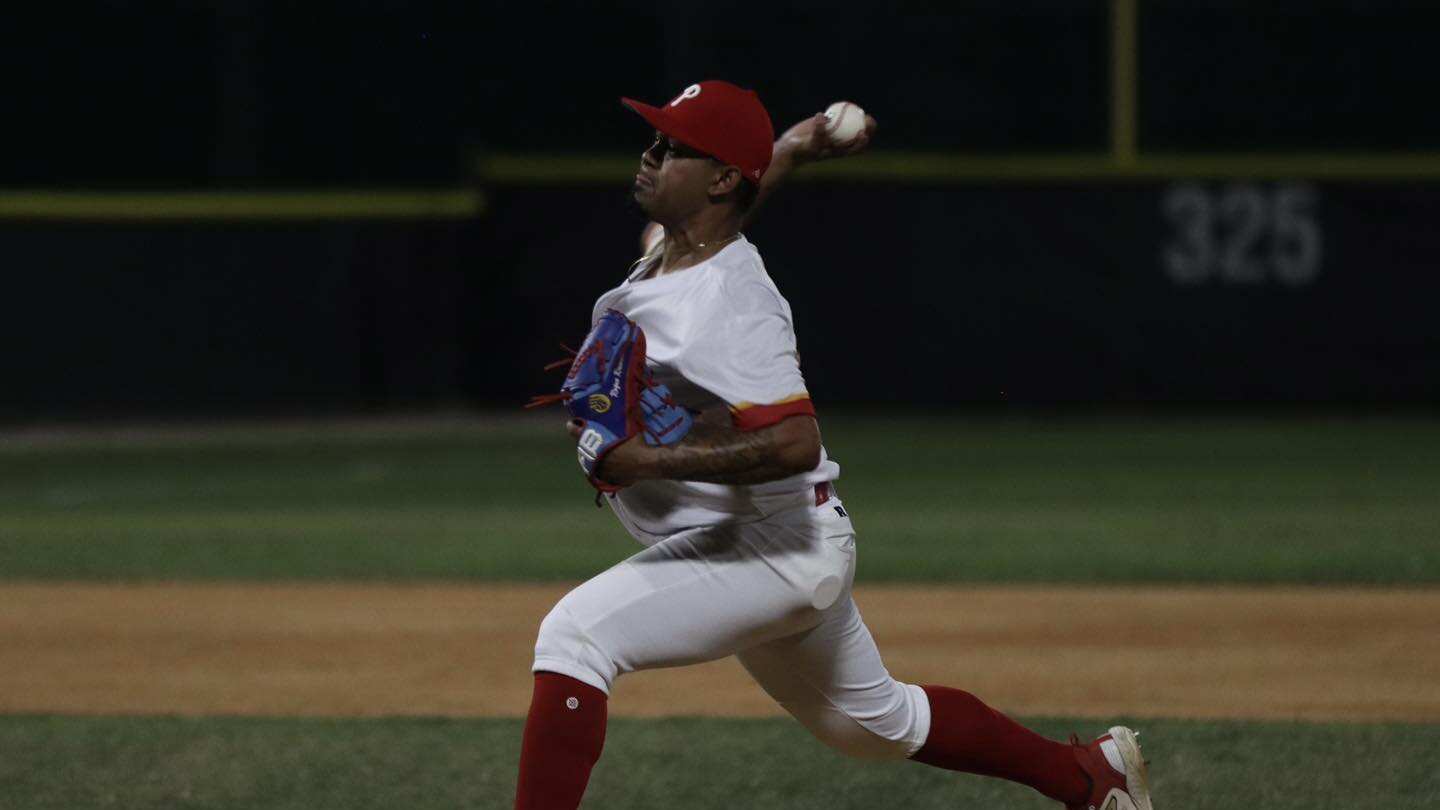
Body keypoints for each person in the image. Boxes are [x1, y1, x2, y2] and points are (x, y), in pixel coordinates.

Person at [514, 80, 1154, 810]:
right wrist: (790, 147)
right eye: (654, 139)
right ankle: (1090, 777)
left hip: (767, 548)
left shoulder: (733, 304)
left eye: (673, 147)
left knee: (576, 638)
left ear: (719, 180)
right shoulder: (678, 250)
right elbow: (730, 213)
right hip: (786, 537)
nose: (650, 155)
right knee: (874, 724)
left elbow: (795, 441)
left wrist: (647, 461)